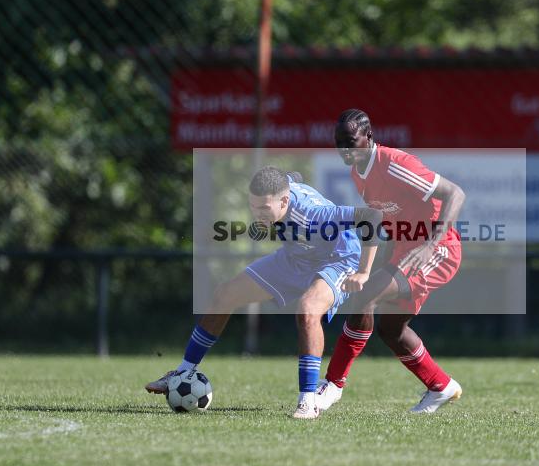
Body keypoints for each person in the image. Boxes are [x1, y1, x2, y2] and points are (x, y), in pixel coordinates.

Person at [145, 167, 382, 419]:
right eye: (253, 206)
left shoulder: (315, 214)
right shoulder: (281, 191)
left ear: (285, 200)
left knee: (308, 310)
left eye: (264, 208)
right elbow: (292, 176)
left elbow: (372, 216)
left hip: (338, 259)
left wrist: (364, 272)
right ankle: (183, 371)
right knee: (225, 294)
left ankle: (308, 401)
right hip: (295, 257)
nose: (257, 213)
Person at [317, 108, 466, 414]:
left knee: (366, 297)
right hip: (404, 251)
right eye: (338, 142)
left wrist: (430, 245)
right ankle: (441, 386)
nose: (344, 149)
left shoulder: (394, 163)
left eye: (350, 140)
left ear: (368, 137)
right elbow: (386, 224)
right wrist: (370, 268)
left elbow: (456, 193)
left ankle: (333, 385)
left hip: (437, 249)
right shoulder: (358, 173)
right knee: (391, 330)